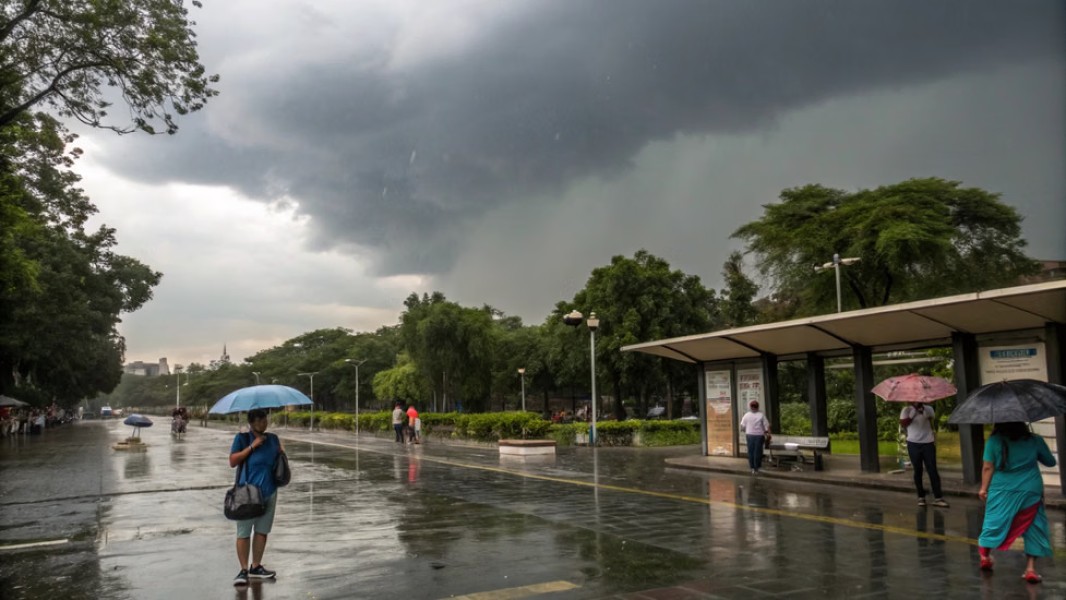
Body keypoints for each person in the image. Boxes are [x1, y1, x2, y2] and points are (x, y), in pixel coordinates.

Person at [977, 421, 1057, 583]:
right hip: (1030, 490)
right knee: (1034, 527)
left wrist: (983, 488)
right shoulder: (1034, 440)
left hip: (1001, 490)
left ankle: (985, 557)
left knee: (993, 523)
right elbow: (1050, 462)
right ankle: (1030, 569)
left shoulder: (994, 441)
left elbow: (988, 467)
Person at [228, 409, 283, 586]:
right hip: (248, 493)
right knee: (244, 532)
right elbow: (233, 461)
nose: (263, 423)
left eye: (264, 419)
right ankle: (243, 570)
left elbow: (277, 461)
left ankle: (256, 566)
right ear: (251, 422)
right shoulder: (242, 439)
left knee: (262, 531)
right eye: (259, 420)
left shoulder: (273, 439)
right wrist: (252, 446)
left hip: (269, 491)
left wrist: (282, 453)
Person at [900, 402, 949, 507]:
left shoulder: (929, 408)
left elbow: (933, 421)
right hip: (913, 443)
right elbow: (903, 424)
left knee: (932, 470)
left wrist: (925, 413)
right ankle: (921, 497)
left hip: (928, 443)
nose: (917, 400)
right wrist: (912, 415)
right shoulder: (906, 410)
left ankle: (938, 497)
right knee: (918, 470)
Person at [739, 400, 770, 474]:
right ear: (757, 407)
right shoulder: (761, 415)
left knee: (751, 451)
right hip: (759, 435)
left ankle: (752, 467)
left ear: (750, 407)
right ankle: (757, 467)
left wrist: (744, 430)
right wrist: (767, 433)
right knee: (758, 452)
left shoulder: (747, 415)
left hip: (749, 435)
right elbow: (766, 425)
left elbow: (742, 426)